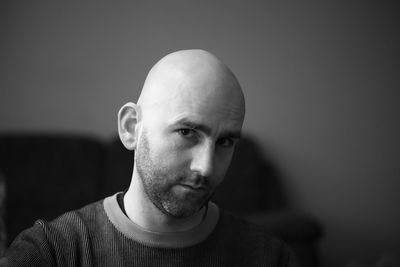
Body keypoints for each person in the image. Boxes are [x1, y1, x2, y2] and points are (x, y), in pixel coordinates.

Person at [0, 49, 298, 266]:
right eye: (187, 132)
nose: (206, 167)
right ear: (131, 128)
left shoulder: (269, 257)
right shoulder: (51, 252)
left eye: (225, 141)